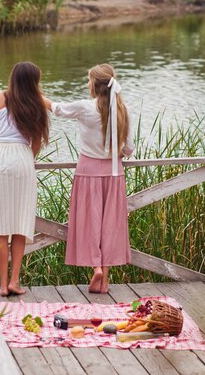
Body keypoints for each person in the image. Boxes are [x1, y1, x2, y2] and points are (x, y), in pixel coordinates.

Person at [44, 63, 134, 294]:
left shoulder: (85, 108)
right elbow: (129, 149)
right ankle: (105, 278)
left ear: (95, 85)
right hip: (114, 174)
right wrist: (116, 151)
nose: (87, 84)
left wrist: (34, 93)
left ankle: (96, 267)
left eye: (88, 80)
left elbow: (56, 108)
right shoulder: (123, 110)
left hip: (88, 172)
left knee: (90, 222)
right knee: (110, 224)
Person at [0, 61, 49, 297]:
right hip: (21, 158)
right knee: (19, 224)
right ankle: (15, 281)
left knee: (0, 225)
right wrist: (27, 159)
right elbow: (36, 143)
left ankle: (2, 284)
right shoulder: (35, 103)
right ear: (33, 82)